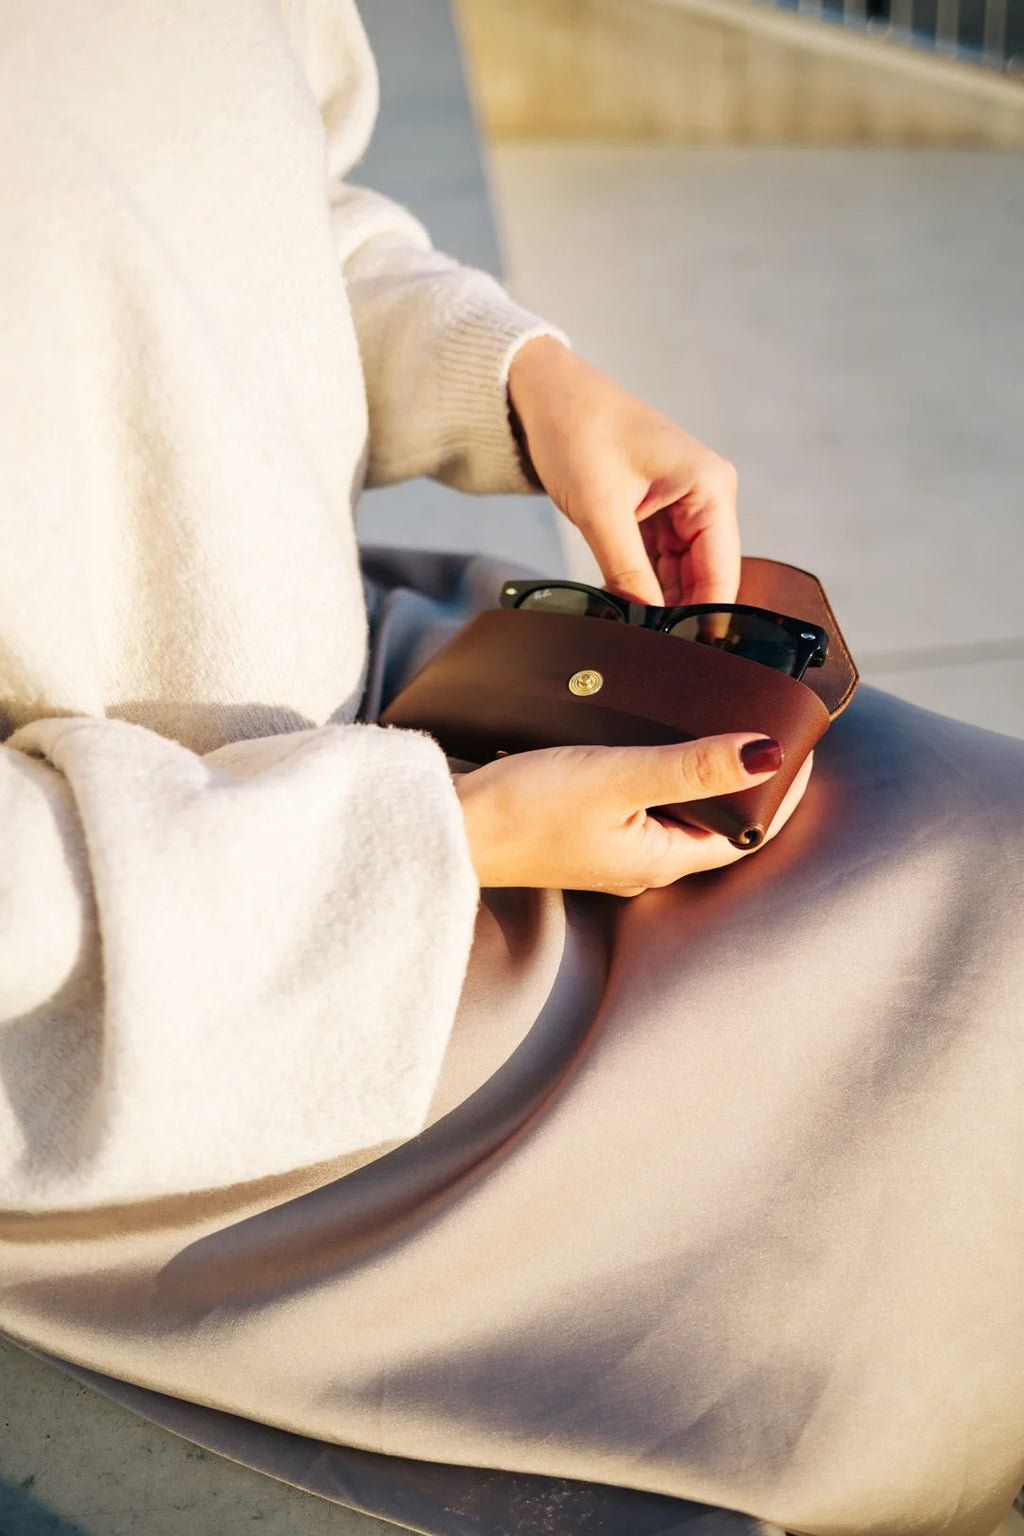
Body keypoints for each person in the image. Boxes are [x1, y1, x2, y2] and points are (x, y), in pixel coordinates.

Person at [0, 3, 1022, 1534]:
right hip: (165, 985)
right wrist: (440, 845)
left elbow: (269, 203)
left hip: (370, 694)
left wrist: (519, 377)